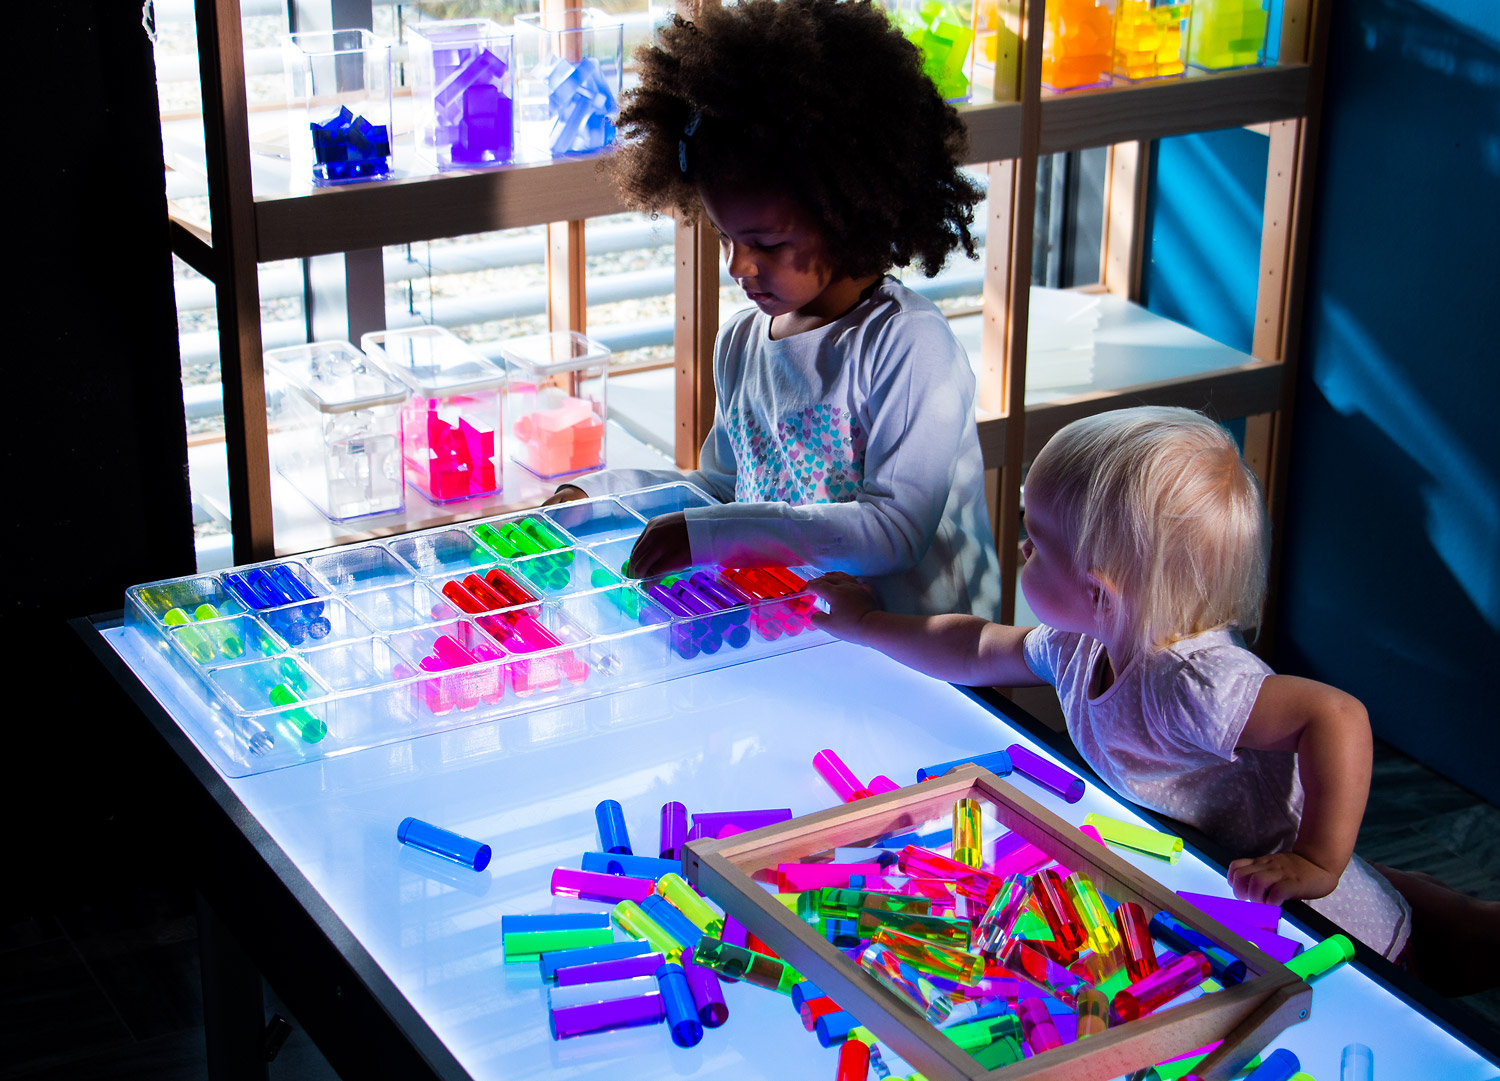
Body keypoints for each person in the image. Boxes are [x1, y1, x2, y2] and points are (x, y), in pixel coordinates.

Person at [809, 406, 1500, 981]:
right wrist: (866, 623)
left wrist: (1319, 859)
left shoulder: (1191, 686)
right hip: (1247, 869)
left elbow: (1338, 714)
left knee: (1437, 947)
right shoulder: (1083, 642)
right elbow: (974, 646)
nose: (1021, 549)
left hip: (1327, 917)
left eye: (1036, 539)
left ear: (1098, 590)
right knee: (1422, 902)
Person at [545, 0, 1001, 618]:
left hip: (924, 660)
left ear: (849, 211)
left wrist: (714, 533)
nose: (738, 265)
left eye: (767, 243)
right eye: (725, 236)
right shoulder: (742, 343)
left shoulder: (908, 346)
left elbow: (895, 531)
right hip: (804, 640)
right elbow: (723, 491)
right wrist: (598, 499)